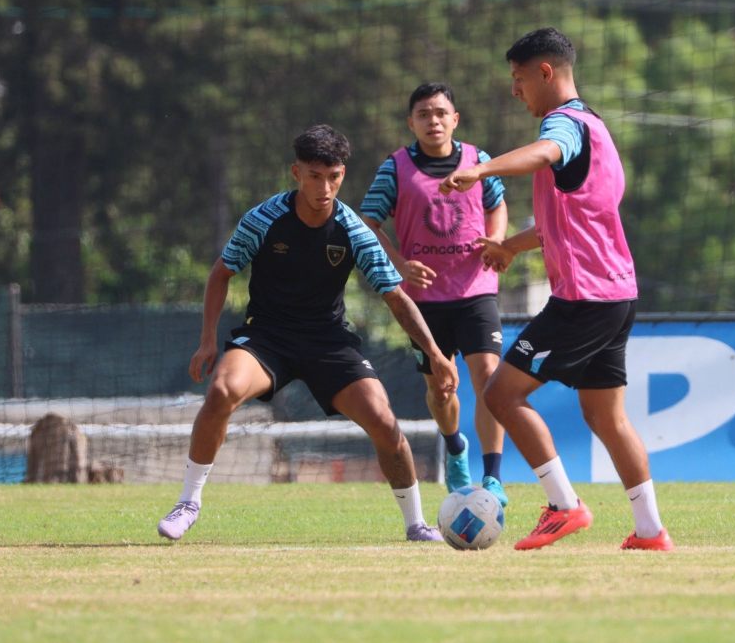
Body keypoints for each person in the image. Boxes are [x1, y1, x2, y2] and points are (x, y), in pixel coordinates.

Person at [158, 124, 460, 543]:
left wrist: (435, 353)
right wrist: (208, 339)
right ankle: (189, 502)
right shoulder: (263, 219)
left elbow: (396, 298)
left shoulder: (354, 231)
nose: (324, 187)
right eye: (315, 176)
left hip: (329, 341)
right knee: (222, 391)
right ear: (296, 173)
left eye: (333, 176)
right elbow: (221, 273)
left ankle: (416, 524)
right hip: (267, 337)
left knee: (385, 423)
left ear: (342, 175)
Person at [440, 27, 674, 552]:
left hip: (584, 299)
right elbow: (570, 221)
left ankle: (564, 505)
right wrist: (513, 248)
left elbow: (545, 152)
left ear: (546, 73)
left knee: (501, 393)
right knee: (606, 416)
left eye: (520, 79)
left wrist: (480, 169)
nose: (515, 91)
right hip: (617, 293)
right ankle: (650, 531)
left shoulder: (564, 124)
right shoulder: (598, 128)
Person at [360, 83, 510, 506]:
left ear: (455, 119)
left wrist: (496, 239)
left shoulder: (477, 160)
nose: (434, 121)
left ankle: (493, 477)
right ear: (411, 123)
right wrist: (399, 264)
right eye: (424, 114)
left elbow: (496, 203)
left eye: (441, 113)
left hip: (476, 289)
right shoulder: (395, 168)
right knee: (442, 389)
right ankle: (455, 446)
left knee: (488, 379)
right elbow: (367, 222)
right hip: (424, 301)